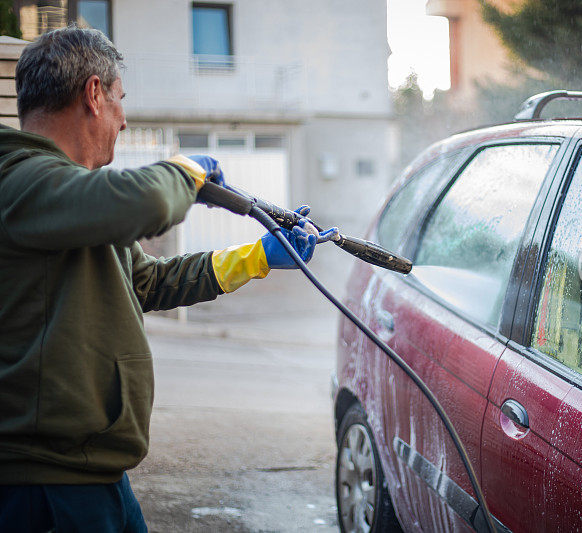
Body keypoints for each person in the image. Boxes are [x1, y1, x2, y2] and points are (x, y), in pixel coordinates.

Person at [0, 26, 336, 532]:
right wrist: (186, 170)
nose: (124, 118)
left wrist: (260, 256)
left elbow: (148, 283)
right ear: (93, 95)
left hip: (88, 473)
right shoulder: (22, 179)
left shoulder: (71, 198)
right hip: (46, 485)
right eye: (119, 100)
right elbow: (151, 201)